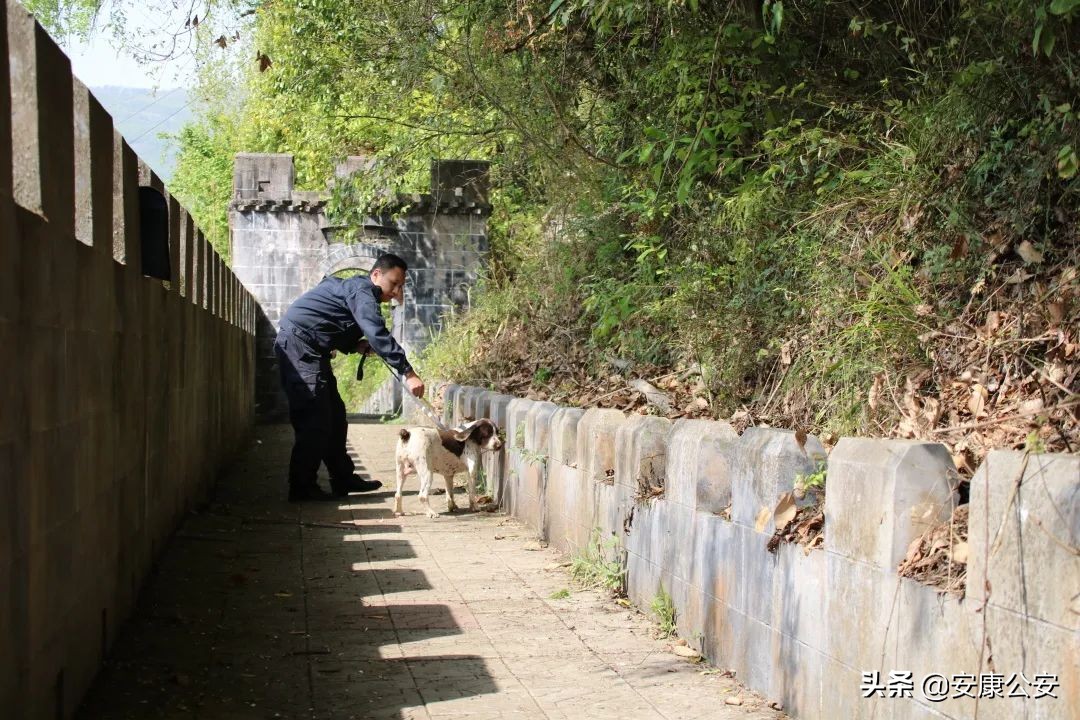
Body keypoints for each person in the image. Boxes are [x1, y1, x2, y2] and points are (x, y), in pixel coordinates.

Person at [275, 252, 426, 502]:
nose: (397, 291)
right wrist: (407, 372)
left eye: (401, 286)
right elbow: (377, 332)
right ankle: (302, 488)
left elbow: (332, 320)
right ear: (376, 275)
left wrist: (354, 345)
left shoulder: (356, 290)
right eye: (394, 284)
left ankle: (342, 478)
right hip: (299, 349)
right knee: (315, 420)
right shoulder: (363, 292)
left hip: (310, 351)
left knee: (334, 416)